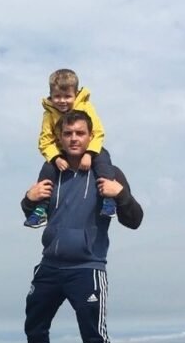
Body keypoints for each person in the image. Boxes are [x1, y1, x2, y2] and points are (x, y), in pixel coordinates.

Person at [22, 110, 144, 343]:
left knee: (95, 338)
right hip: (50, 266)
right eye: (68, 134)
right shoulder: (54, 171)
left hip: (87, 269)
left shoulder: (108, 172)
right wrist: (26, 200)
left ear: (90, 137)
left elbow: (134, 219)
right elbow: (36, 211)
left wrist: (121, 195)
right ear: (60, 138)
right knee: (34, 328)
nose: (74, 138)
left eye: (80, 133)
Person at [25, 69, 117, 228]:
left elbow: (98, 132)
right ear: (51, 95)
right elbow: (45, 140)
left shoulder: (86, 106)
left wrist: (89, 153)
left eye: (67, 96)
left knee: (103, 158)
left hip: (90, 150)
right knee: (47, 168)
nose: (62, 101)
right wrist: (56, 158)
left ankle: (109, 199)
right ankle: (41, 208)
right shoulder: (49, 114)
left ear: (76, 94)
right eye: (57, 97)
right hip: (62, 153)